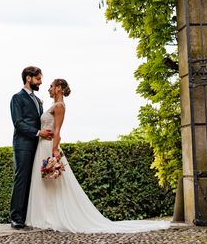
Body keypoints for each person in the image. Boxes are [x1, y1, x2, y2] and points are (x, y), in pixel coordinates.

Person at [25, 78, 171, 233]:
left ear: (59, 88)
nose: (48, 88)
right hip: (42, 145)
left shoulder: (60, 106)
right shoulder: (53, 105)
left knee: (55, 184)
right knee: (46, 184)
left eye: (51, 86)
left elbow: (58, 131)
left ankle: (53, 216)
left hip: (49, 147)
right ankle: (47, 215)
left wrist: (54, 151)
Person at [9, 66, 53, 229]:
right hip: (23, 145)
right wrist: (38, 133)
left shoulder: (37, 99)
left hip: (38, 145)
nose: (40, 82)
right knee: (21, 178)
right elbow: (18, 123)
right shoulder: (17, 98)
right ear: (28, 78)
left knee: (33, 180)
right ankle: (16, 218)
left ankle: (27, 216)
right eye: (38, 79)